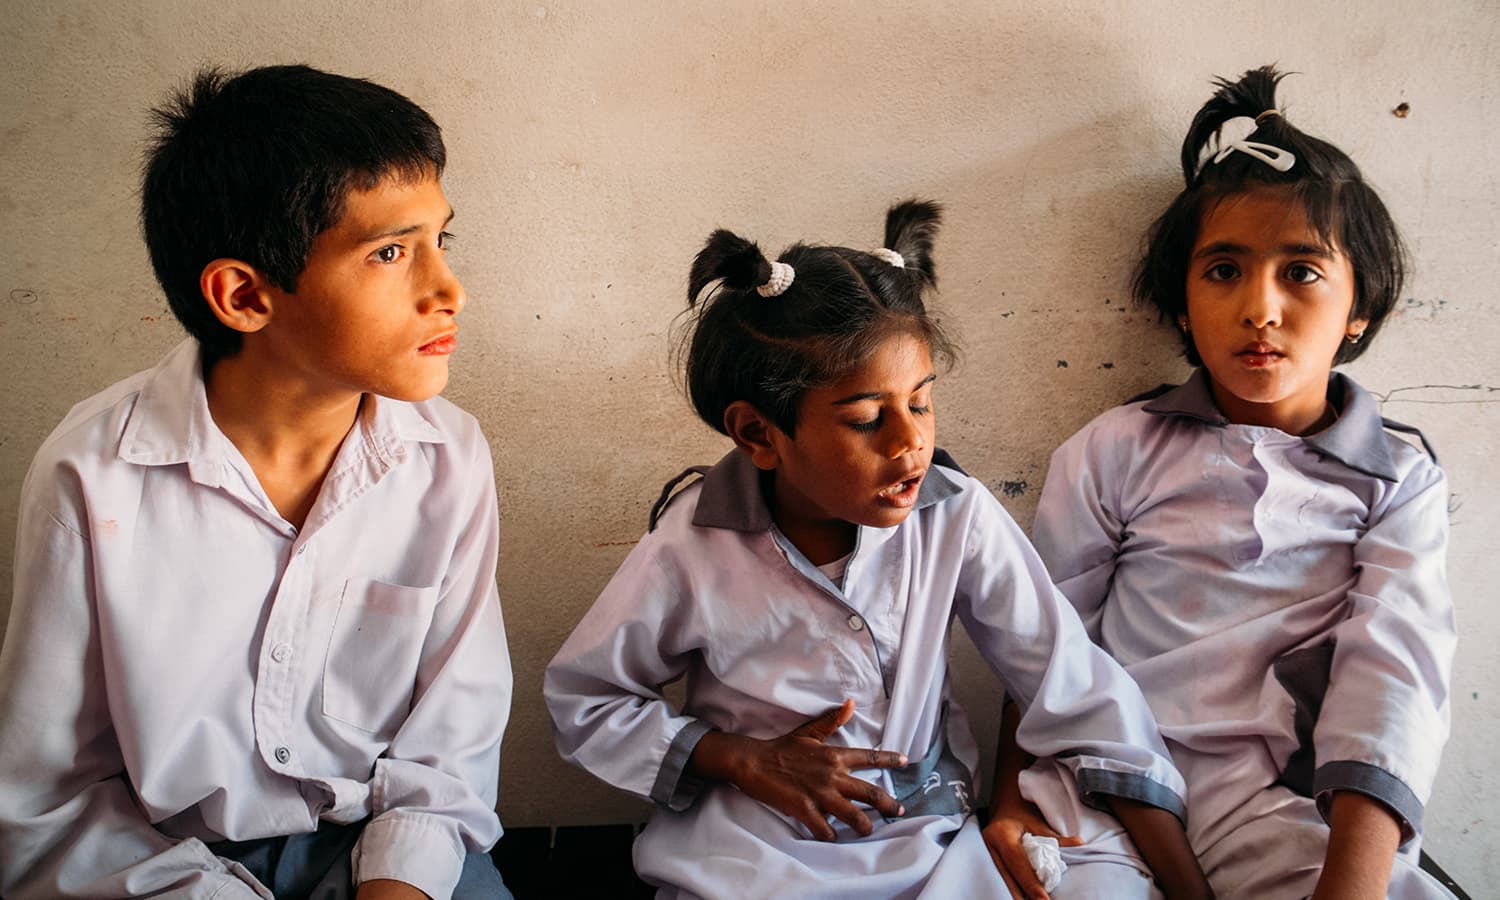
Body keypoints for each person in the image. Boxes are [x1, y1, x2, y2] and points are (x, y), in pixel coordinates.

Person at [545, 202, 1212, 898]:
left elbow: (1072, 685)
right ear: (758, 435)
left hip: (928, 840)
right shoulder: (695, 541)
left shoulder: (954, 515)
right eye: (867, 419)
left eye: (920, 403)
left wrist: (1190, 891)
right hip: (751, 855)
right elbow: (586, 697)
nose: (909, 443)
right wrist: (741, 759)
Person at [0, 65, 512, 900]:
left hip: (386, 849)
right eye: (390, 251)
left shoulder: (446, 458)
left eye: (439, 241)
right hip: (152, 867)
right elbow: (48, 801)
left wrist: (396, 885)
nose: (449, 290)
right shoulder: (91, 477)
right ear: (243, 295)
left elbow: (453, 736)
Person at [990, 66, 1457, 899]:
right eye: (1223, 271)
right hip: (1106, 805)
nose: (1260, 308)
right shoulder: (1114, 449)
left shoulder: (1397, 478)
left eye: (1302, 273)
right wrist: (1004, 802)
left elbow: (1395, 673)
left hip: (1293, 813)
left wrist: (1351, 885)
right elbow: (1043, 644)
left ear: (1361, 307)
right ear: (1180, 302)